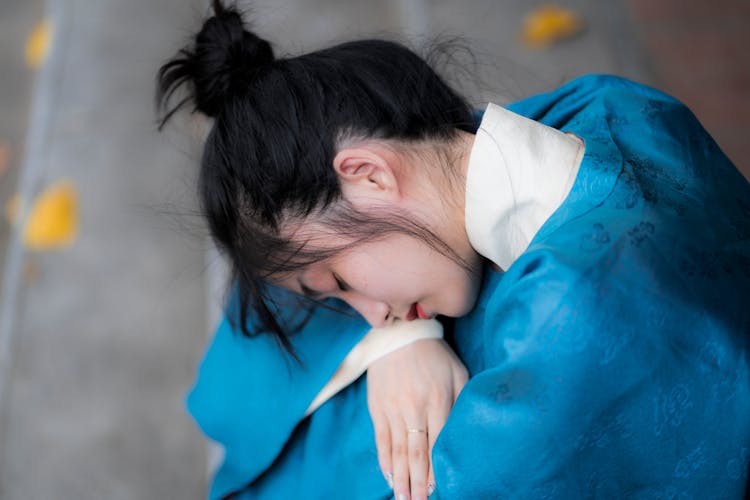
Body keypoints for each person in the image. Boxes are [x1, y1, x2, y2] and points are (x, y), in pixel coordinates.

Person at [156, 2, 750, 499]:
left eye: (339, 281)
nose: (368, 311)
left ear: (369, 175)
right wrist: (399, 338)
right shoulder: (600, 106)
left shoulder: (566, 329)